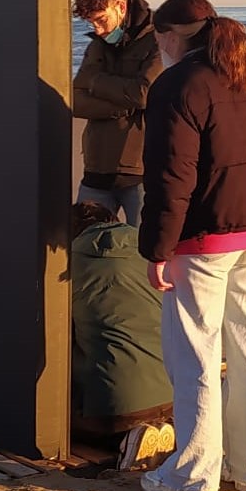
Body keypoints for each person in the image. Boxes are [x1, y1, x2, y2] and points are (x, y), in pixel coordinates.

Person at [137, 0, 246, 491]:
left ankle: (193, 472)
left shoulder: (177, 84)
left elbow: (170, 176)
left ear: (170, 35)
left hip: (205, 237)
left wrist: (157, 247)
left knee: (195, 354)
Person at [69, 201, 174, 470]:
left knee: (58, 419)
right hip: (172, 393)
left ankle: (123, 440)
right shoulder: (154, 257)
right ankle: (164, 430)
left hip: (115, 405)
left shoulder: (67, 267)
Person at [71, 0, 162, 225]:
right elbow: (75, 100)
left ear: (120, 7)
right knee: (83, 247)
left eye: (101, 20)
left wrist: (95, 82)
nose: (98, 30)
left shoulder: (158, 39)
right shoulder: (99, 44)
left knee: (142, 254)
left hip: (140, 171)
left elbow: (144, 93)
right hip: (96, 166)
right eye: (92, 23)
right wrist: (120, 107)